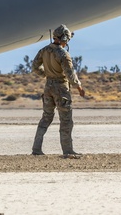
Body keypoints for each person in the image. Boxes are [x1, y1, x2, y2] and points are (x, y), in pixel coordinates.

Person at [30, 24, 86, 158]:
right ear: (64, 38)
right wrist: (79, 87)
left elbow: (34, 66)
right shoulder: (63, 54)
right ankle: (67, 150)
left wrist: (45, 74)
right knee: (66, 120)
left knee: (46, 118)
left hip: (48, 86)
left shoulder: (44, 50)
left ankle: (36, 148)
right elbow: (70, 74)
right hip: (61, 88)